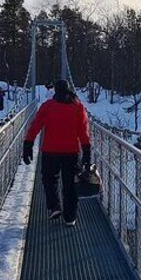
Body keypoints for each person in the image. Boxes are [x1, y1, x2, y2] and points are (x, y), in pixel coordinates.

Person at [22, 79, 91, 226]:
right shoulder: (78, 107)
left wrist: (28, 144)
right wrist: (86, 152)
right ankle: (70, 217)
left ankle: (54, 206)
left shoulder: (47, 106)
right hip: (72, 152)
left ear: (56, 91)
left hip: (50, 151)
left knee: (49, 179)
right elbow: (83, 132)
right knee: (70, 184)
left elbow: (36, 125)